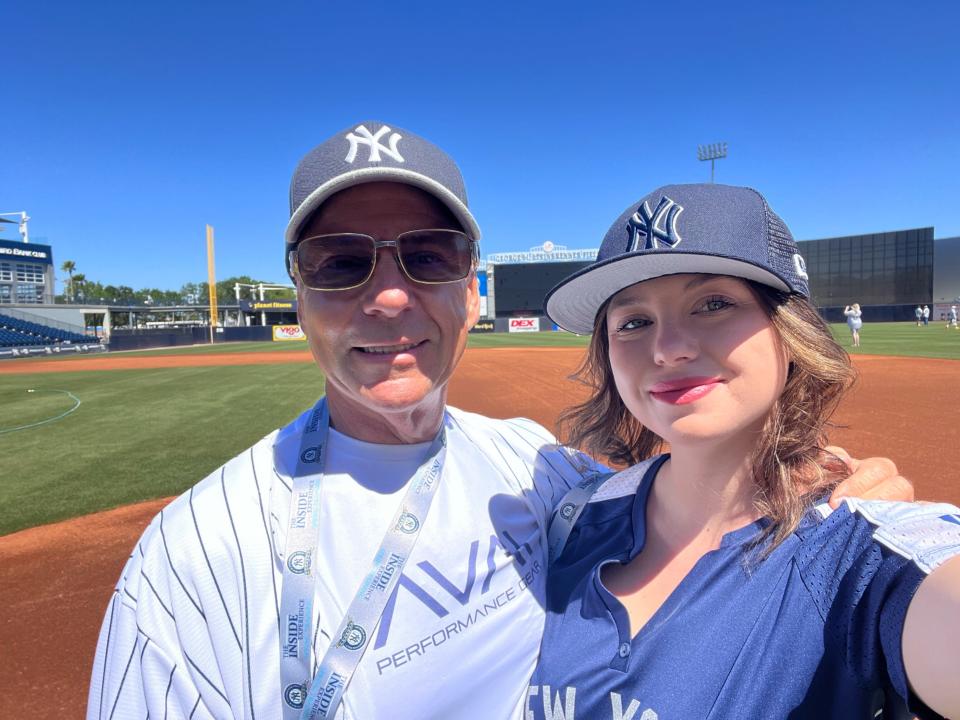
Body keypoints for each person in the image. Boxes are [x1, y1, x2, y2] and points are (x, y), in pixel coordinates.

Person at [87, 126, 913, 720]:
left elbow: (684, 499)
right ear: (297, 296)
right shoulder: (191, 555)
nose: (388, 293)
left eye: (430, 254)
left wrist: (830, 488)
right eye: (339, 262)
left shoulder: (532, 465)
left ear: (470, 287)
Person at [531, 183, 960, 719]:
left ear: (789, 329)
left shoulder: (860, 554)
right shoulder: (569, 519)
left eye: (713, 304)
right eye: (633, 321)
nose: (668, 348)